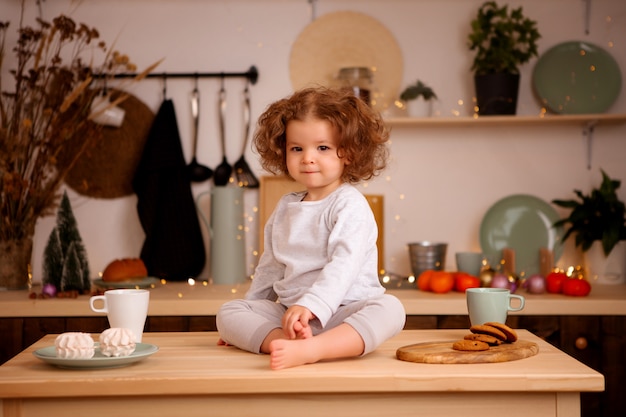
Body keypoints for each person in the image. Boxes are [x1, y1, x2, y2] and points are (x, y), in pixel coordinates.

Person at [216, 86, 406, 370]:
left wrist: (313, 306)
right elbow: (269, 268)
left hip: (344, 313)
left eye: (322, 148)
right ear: (283, 152)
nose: (307, 157)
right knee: (229, 312)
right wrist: (249, 321)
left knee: (391, 309)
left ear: (348, 153)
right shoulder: (285, 207)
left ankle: (315, 349)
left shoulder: (349, 204)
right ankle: (283, 341)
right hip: (291, 314)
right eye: (297, 148)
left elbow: (344, 264)